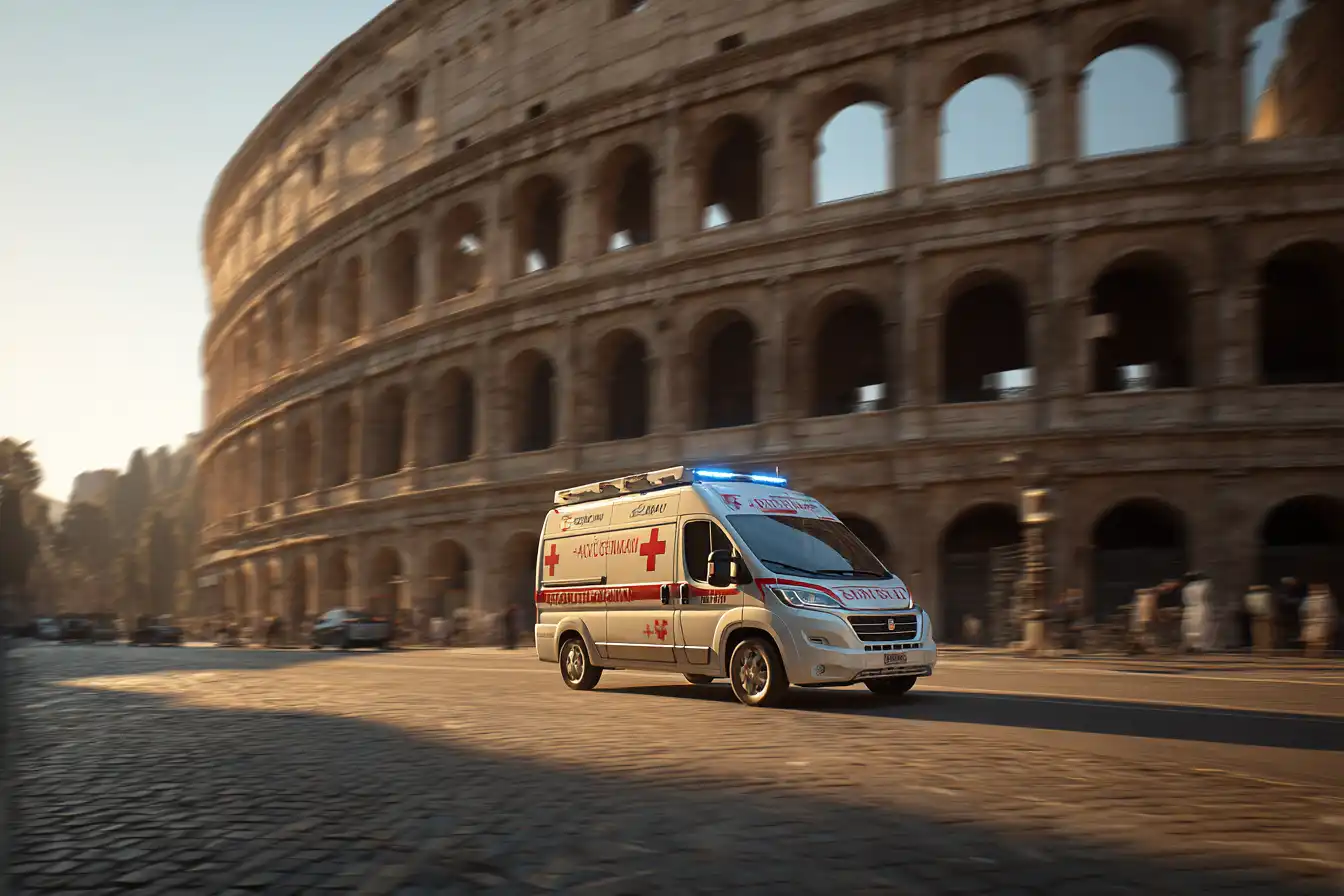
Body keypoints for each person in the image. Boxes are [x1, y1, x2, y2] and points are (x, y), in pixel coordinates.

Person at [1181, 572, 1215, 653]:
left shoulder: (1186, 588)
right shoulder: (1202, 586)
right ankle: (1199, 645)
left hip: (1189, 608)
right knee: (1201, 626)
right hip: (1200, 606)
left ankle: (1191, 644)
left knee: (1190, 626)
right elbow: (1209, 583)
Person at [1301, 584, 1338, 658]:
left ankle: (1312, 658)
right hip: (1319, 623)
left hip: (1315, 623)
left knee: (1313, 645)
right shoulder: (1325, 599)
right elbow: (1331, 613)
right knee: (1317, 645)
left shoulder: (1309, 599)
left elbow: (1303, 612)